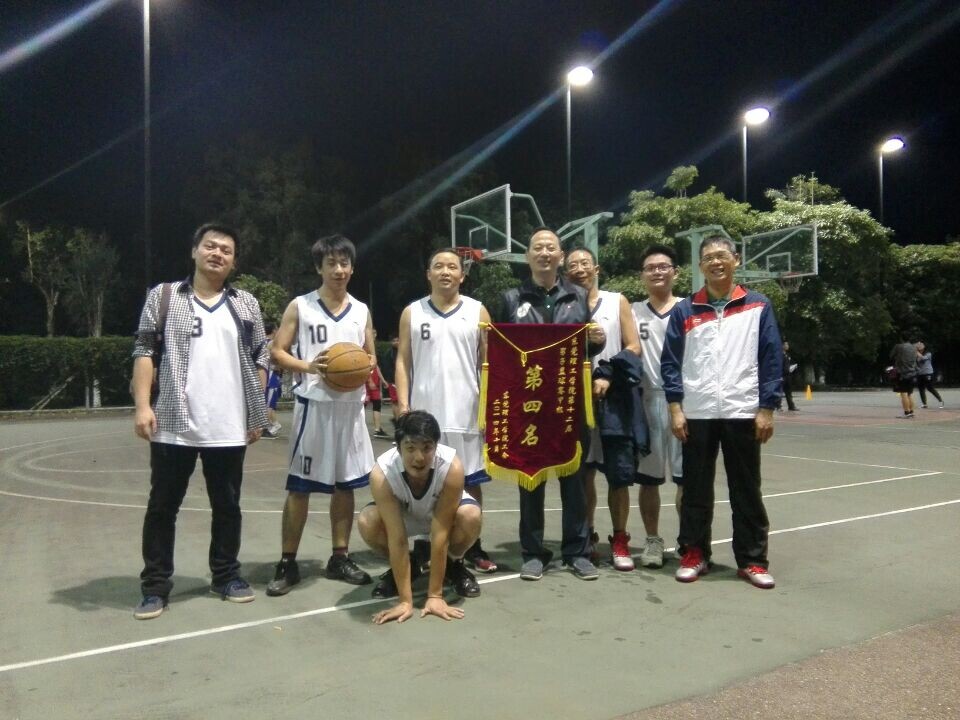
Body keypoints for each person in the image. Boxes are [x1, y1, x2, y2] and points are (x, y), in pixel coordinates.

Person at [131, 223, 269, 619]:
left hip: (228, 425)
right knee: (162, 508)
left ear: (233, 262)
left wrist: (255, 411)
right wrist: (143, 405)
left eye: (226, 250)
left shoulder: (245, 304)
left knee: (228, 507)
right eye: (211, 246)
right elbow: (144, 350)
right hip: (173, 422)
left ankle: (225, 576)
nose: (217, 254)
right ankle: (155, 586)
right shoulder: (165, 296)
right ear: (194, 251)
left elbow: (261, 357)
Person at [661, 235, 782, 590]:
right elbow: (670, 363)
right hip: (696, 412)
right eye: (708, 258)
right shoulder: (685, 310)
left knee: (746, 489)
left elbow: (771, 358)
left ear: (735, 260)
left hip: (742, 410)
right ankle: (694, 553)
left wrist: (767, 408)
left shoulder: (758, 305)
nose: (716, 262)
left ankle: (753, 560)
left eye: (721, 256)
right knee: (695, 490)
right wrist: (675, 408)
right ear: (700, 266)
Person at [265, 234, 376, 596]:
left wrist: (362, 366)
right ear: (319, 268)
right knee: (300, 488)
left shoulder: (361, 310)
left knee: (345, 486)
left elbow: (370, 355)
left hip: (350, 408)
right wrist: (309, 366)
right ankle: (288, 562)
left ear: (352, 268)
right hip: (314, 406)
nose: (339, 270)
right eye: (331, 263)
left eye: (344, 263)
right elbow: (277, 351)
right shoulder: (301, 306)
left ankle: (339, 556)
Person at [494, 227, 606, 581]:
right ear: (528, 256)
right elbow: (500, 351)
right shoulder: (511, 298)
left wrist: (598, 340)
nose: (544, 253)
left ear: (560, 256)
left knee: (574, 481)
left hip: (568, 401)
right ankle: (533, 552)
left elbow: (585, 346)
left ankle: (577, 551)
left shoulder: (578, 295)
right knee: (531, 479)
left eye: (550, 248)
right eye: (537, 247)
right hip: (528, 404)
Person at [394, 247, 497, 573]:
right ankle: (425, 545)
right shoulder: (412, 312)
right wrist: (403, 405)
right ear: (428, 274)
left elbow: (489, 364)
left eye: (452, 267)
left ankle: (471, 545)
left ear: (462, 275)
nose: (445, 272)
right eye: (438, 266)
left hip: (467, 412)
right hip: (425, 416)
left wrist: (489, 406)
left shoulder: (478, 311)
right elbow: (403, 360)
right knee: (424, 480)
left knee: (471, 482)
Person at [359, 411, 482, 624]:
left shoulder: (451, 467)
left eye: (427, 448)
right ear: (398, 448)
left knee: (471, 516)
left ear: (436, 446)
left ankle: (453, 563)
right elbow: (397, 538)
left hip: (441, 514)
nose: (419, 457)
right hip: (405, 517)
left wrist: (435, 596)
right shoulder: (382, 473)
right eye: (410, 448)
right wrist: (405, 601)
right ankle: (411, 565)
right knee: (367, 521)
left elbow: (441, 532)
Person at [564, 245, 642, 571]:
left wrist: (608, 373)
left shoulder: (616, 301)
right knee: (583, 474)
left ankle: (620, 537)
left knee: (618, 475)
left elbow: (634, 345)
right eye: (573, 265)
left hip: (614, 399)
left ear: (596, 269)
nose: (579, 269)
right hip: (575, 401)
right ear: (566, 274)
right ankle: (588, 536)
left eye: (585, 263)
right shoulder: (565, 307)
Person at [630, 244, 685, 569]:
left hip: (684, 401)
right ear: (642, 275)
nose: (657, 272)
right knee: (649, 479)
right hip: (647, 399)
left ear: (675, 272)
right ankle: (652, 540)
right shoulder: (633, 311)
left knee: (685, 478)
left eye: (664, 266)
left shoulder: (688, 308)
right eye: (651, 267)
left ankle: (688, 539)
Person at [366, 329, 390, 438]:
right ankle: (359, 429)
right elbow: (362, 365)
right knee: (362, 405)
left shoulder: (373, 347)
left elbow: (376, 366)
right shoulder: (363, 346)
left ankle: (377, 429)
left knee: (377, 404)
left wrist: (383, 380)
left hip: (375, 380)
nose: (374, 335)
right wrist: (369, 380)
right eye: (372, 333)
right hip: (365, 381)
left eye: (375, 333)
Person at [262, 322, 284, 437]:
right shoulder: (272, 343)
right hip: (271, 377)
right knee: (269, 405)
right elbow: (277, 361)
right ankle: (272, 425)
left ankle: (269, 426)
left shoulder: (261, 342)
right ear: (274, 330)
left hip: (266, 377)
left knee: (268, 404)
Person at [890, 337, 919, 419]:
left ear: (901, 339)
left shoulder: (898, 346)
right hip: (912, 373)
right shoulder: (914, 347)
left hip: (903, 373)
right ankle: (911, 412)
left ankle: (906, 413)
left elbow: (891, 356)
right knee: (909, 393)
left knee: (903, 393)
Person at [915, 341, 944, 409]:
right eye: (918, 348)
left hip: (928, 373)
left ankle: (940, 401)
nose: (919, 349)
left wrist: (916, 352)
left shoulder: (928, 354)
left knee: (930, 388)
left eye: (920, 348)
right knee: (921, 389)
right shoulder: (917, 355)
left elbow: (923, 358)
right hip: (920, 374)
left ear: (923, 348)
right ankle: (924, 404)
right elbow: (916, 363)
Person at [779, 341, 799, 412]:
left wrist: (792, 367)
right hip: (782, 376)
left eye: (787, 344)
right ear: (782, 345)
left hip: (788, 376)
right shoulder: (779, 355)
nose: (787, 346)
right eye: (786, 344)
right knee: (780, 392)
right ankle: (778, 406)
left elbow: (787, 365)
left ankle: (791, 406)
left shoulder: (787, 355)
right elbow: (779, 366)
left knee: (788, 392)